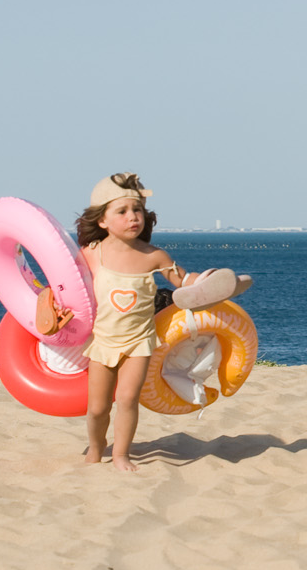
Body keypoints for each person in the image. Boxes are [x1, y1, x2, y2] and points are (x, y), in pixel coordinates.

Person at [63, 174, 249, 471]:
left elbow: (183, 282)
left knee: (126, 399)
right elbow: (68, 286)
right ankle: (96, 450)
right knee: (97, 408)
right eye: (121, 212)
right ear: (102, 221)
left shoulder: (153, 256)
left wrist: (210, 285)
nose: (132, 217)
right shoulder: (92, 254)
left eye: (137, 210)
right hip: (102, 341)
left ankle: (121, 454)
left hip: (139, 341)